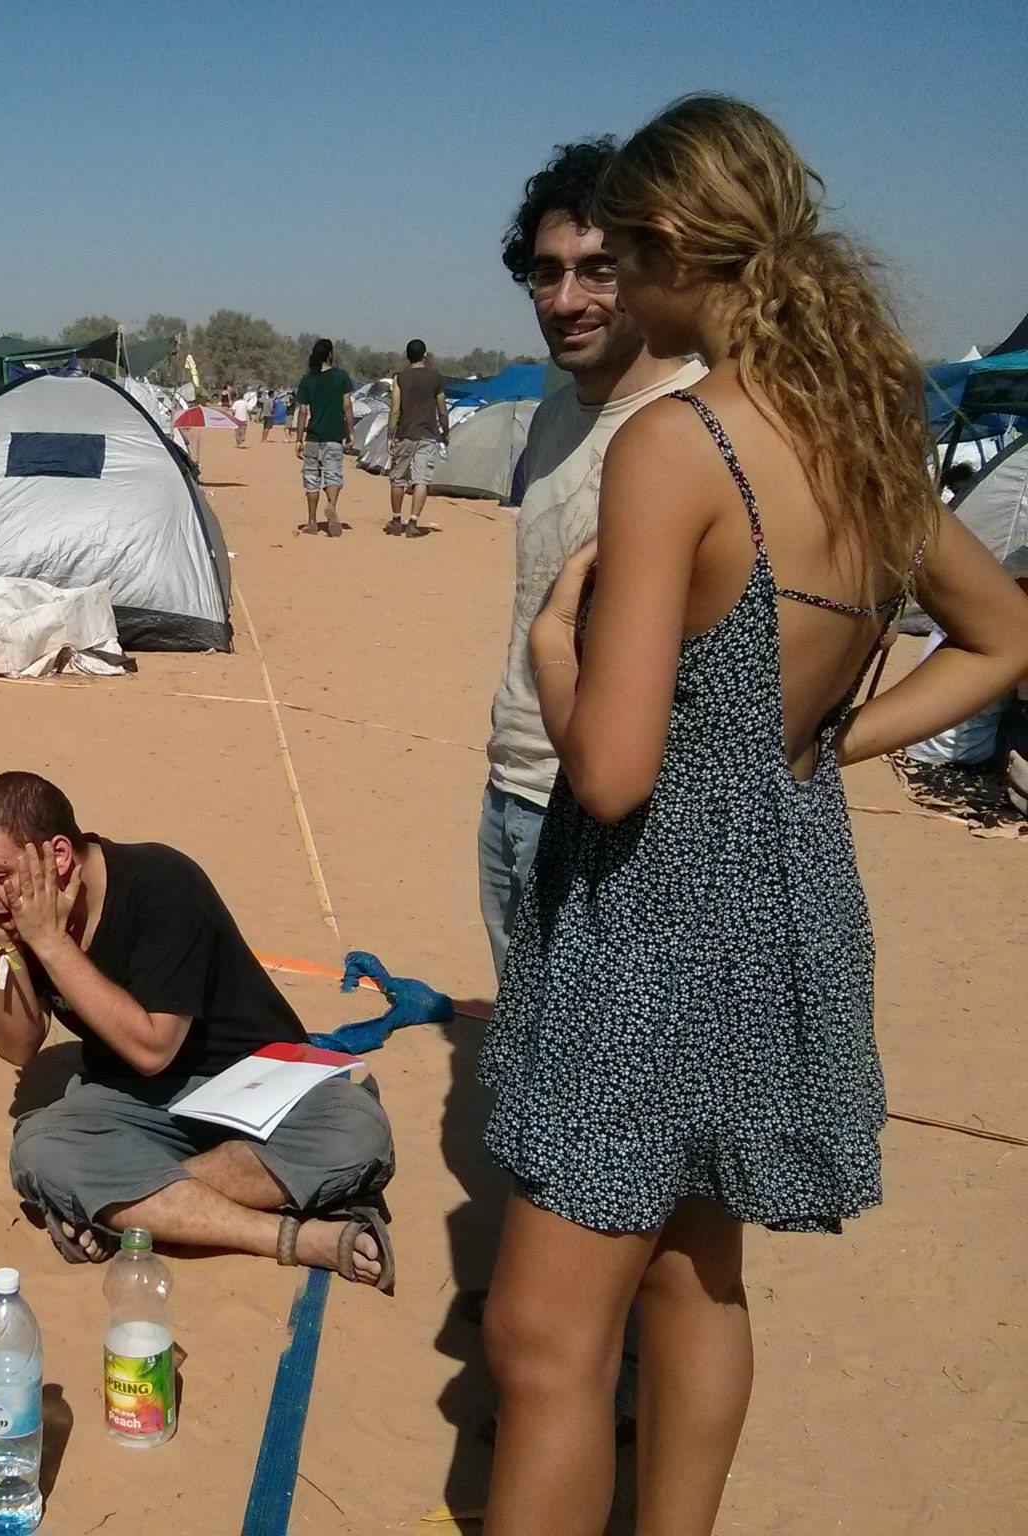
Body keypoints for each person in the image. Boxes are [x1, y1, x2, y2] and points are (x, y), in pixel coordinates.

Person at [477, 96, 1028, 1536]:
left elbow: (608, 773)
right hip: (780, 903)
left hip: (650, 921)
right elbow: (1000, 634)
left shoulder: (679, 442)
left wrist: (555, 654)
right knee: (693, 1276)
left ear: (667, 250)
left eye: (620, 254)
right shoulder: (857, 442)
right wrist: (822, 742)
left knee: (543, 1343)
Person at [0, 771, 397, 1286]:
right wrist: (7, 946)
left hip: (253, 1081)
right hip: (135, 1102)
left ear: (58, 856)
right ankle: (287, 1237)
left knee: (355, 1130)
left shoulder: (162, 885)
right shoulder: (17, 910)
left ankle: (129, 1212)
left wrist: (52, 945)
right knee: (39, 1151)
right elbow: (16, 1045)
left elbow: (153, 1048)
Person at [478, 138, 707, 980]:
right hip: (513, 782)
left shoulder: (700, 427)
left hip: (616, 818)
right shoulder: (547, 423)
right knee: (524, 1043)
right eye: (546, 272)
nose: (566, 299)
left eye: (598, 269)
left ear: (652, 268)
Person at [385, 340, 448, 536]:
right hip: (427, 434)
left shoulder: (400, 378)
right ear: (425, 355)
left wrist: (390, 434)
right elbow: (442, 410)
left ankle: (396, 519)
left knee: (398, 478)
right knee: (421, 480)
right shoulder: (436, 378)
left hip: (405, 433)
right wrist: (446, 431)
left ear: (407, 355)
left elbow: (395, 409)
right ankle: (413, 522)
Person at [293, 339, 355, 535]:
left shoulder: (307, 380)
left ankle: (312, 521)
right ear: (330, 355)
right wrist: (350, 432)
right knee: (333, 475)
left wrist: (299, 439)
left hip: (313, 437)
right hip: (334, 436)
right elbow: (347, 406)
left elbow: (303, 411)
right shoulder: (341, 377)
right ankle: (331, 506)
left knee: (311, 479)